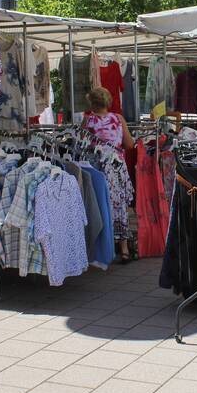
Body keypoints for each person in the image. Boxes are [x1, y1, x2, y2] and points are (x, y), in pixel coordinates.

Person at [81, 87, 135, 262]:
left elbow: (81, 145)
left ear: (92, 102)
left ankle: (103, 247)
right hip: (116, 168)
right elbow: (129, 144)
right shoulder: (118, 119)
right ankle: (124, 248)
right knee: (119, 206)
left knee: (99, 205)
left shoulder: (88, 121)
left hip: (97, 169)